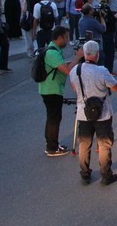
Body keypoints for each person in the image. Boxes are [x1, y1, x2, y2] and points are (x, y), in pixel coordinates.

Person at [69, 40, 117, 185]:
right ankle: (106, 175)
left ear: (84, 54)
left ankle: (85, 174)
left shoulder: (75, 71)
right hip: (102, 113)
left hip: (83, 112)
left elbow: (74, 88)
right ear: (97, 55)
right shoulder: (102, 71)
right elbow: (115, 87)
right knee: (104, 144)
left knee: (84, 144)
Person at [39, 26, 84, 157]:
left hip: (50, 89)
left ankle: (52, 144)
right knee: (54, 118)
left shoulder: (53, 50)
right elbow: (67, 70)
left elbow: (62, 65)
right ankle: (52, 147)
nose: (67, 40)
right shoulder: (52, 53)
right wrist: (78, 56)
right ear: (59, 38)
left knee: (52, 117)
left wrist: (74, 60)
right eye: (66, 37)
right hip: (51, 90)